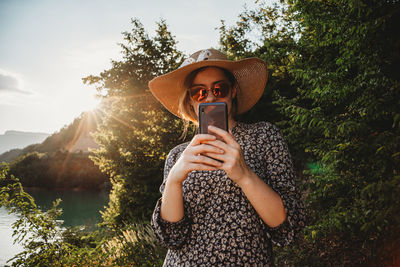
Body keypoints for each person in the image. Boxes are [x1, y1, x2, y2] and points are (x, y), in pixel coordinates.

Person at [148, 48, 304, 266]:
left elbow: (289, 227)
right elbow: (173, 237)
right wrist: (174, 179)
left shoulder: (264, 136)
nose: (210, 97)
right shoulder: (177, 155)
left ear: (233, 90)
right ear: (191, 100)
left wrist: (245, 176)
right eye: (199, 92)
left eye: (219, 89)